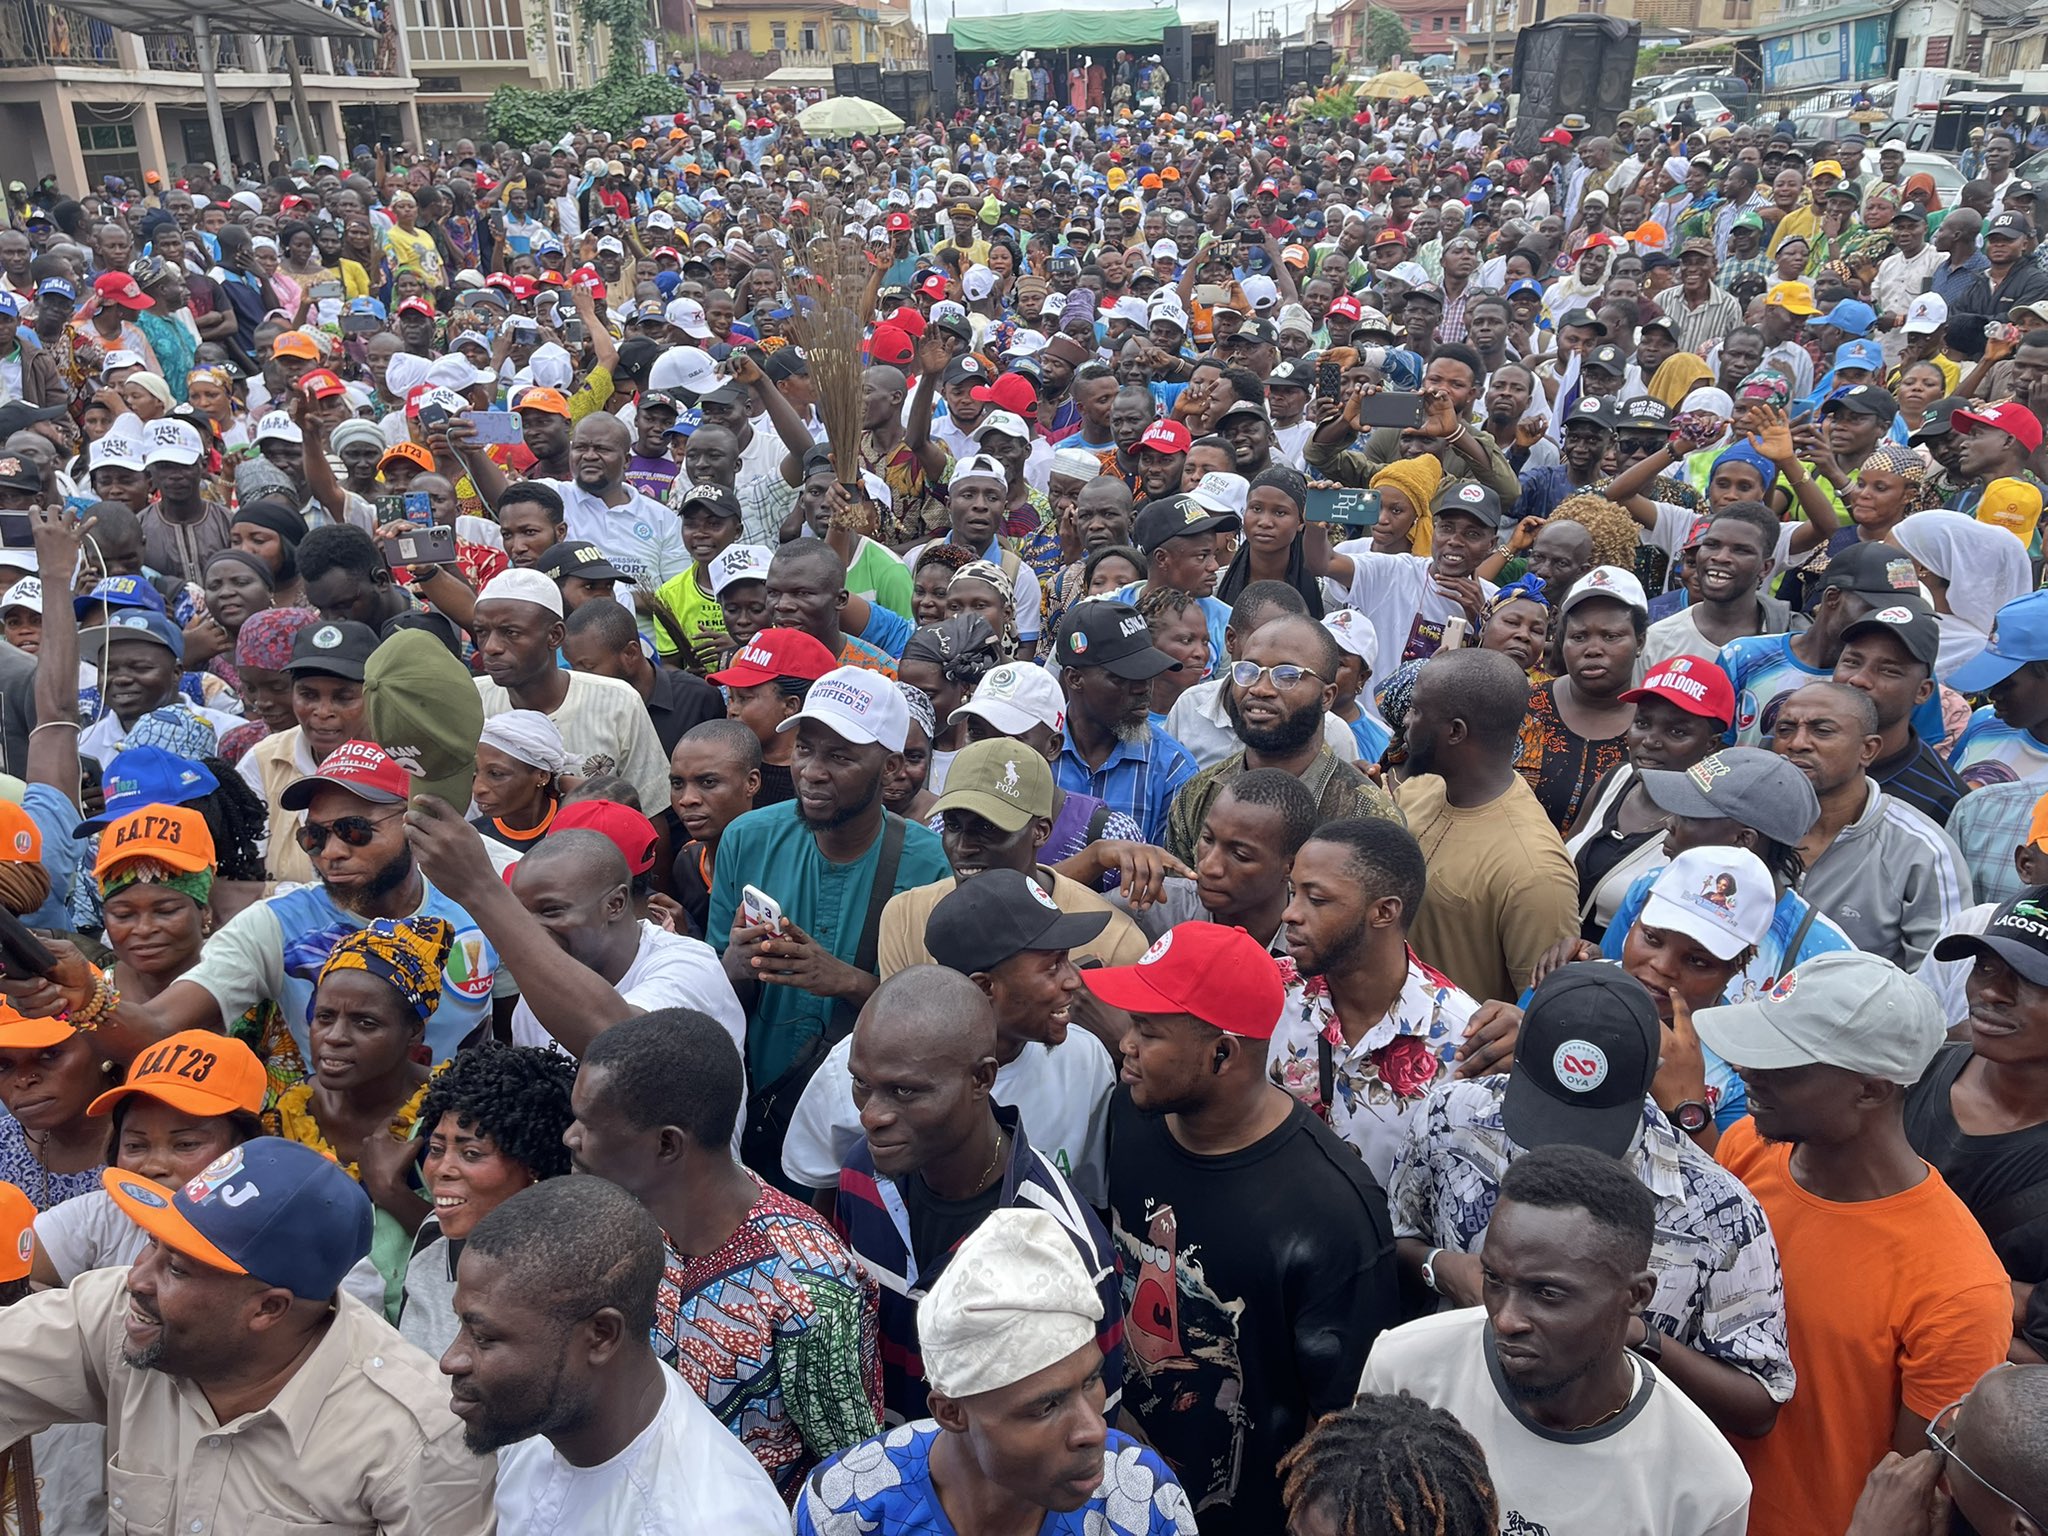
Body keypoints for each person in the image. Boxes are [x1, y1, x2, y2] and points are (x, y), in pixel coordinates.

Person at [0, 1136, 493, 1532]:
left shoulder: (418, 1439)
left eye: (177, 1268)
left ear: (268, 1309)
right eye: (152, 1244)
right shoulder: (121, 1315)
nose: (137, 1278)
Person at [1084, 922, 1399, 1536]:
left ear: (1222, 1053)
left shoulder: (1332, 1210)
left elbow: (1339, 1423)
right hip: (1118, 1491)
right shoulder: (1131, 1112)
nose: (1124, 1044)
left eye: (1147, 1031)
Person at [1391, 960, 1793, 1435]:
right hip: (1447, 1429)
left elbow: (1757, 1405)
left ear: (1653, 1076)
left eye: (1590, 1127)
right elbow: (1392, 1240)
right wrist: (1441, 1268)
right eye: (1546, 1115)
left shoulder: (1717, 1211)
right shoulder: (1451, 1119)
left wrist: (1630, 1333)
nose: (1561, 1149)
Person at [1695, 951, 2015, 1536]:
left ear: (1869, 1090)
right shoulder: (1744, 1149)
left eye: (1782, 1062)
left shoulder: (1959, 1289)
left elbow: (1912, 1494)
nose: (1745, 1071)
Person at [563, 1010, 883, 1493]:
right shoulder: (623, 1218)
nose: (571, 1137)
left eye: (588, 1124)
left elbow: (851, 1477)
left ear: (667, 1145)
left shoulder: (812, 1285)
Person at [1363, 1143, 1753, 1536]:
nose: (1505, 1318)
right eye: (1494, 1280)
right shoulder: (1404, 1370)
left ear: (1636, 1296)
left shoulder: (1705, 1487)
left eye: (1547, 1293)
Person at [832, 966, 1123, 1424]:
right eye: (862, 1084)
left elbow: (1088, 1429)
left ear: (982, 1079)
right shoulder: (859, 1175)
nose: (872, 1115)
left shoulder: (1064, 1242)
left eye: (904, 1090)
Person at [796, 1206, 1198, 1536]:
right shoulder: (847, 1509)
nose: (1094, 1430)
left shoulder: (1141, 1500)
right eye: (1045, 1407)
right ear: (951, 1412)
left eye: (1091, 1381)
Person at [441, 1175, 790, 1531]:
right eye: (461, 1325)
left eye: (483, 1337)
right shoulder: (536, 1418)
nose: (450, 1359)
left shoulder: (705, 1521)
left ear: (601, 1336)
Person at [705, 666, 950, 1158]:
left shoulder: (928, 862)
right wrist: (732, 964)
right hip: (757, 1101)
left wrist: (845, 980)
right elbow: (711, 990)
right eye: (804, 748)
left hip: (868, 1121)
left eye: (840, 756)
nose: (812, 771)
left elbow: (938, 1022)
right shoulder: (747, 838)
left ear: (890, 769)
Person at [1270, 818, 1490, 1180]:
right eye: (1293, 893)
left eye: (1317, 899)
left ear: (1384, 912)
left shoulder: (1463, 1042)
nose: (1290, 913)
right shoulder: (1269, 989)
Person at [878, 735, 1151, 979]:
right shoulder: (905, 917)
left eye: (987, 828)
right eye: (953, 825)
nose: (963, 847)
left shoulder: (1114, 941)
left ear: (1040, 832)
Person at [1395, 648, 1580, 1002]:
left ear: (1455, 732)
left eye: (1417, 710)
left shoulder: (1534, 871)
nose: (1406, 719)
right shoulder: (1418, 791)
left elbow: (1541, 1007)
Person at [1910, 892, 2048, 1360]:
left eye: (2031, 978)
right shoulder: (1911, 1073)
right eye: (1985, 967)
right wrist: (2011, 1298)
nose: (1991, 992)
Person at [1163, 614, 1398, 863]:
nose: (1260, 689)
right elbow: (1180, 896)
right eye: (1248, 670)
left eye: (1287, 675)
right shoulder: (1198, 795)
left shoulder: (1367, 815)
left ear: (1326, 697)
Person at [397, 1043, 578, 1359]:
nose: (442, 1170)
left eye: (471, 1154)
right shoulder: (432, 1235)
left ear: (532, 1165)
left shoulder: (569, 1278)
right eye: (437, 1150)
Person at [1771, 681, 1970, 968]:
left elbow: (1944, 978)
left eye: (1822, 730)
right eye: (1785, 730)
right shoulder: (1748, 824)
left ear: (1868, 749)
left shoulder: (1922, 849)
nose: (1797, 743)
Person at [470, 570, 670, 811]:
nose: (491, 647)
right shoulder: (469, 701)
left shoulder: (618, 702)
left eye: (511, 633)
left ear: (555, 636)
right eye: (482, 632)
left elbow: (651, 813)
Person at [1049, 600, 1198, 846]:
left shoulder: (1172, 768)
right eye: (1122, 677)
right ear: (1074, 679)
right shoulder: (1034, 752)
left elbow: (1173, 877)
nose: (1143, 687)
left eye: (1148, 672)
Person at [1831, 598, 1966, 825]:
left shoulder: (1944, 800)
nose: (1859, 679)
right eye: (1852, 662)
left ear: (1923, 691)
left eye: (1888, 671)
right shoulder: (1790, 748)